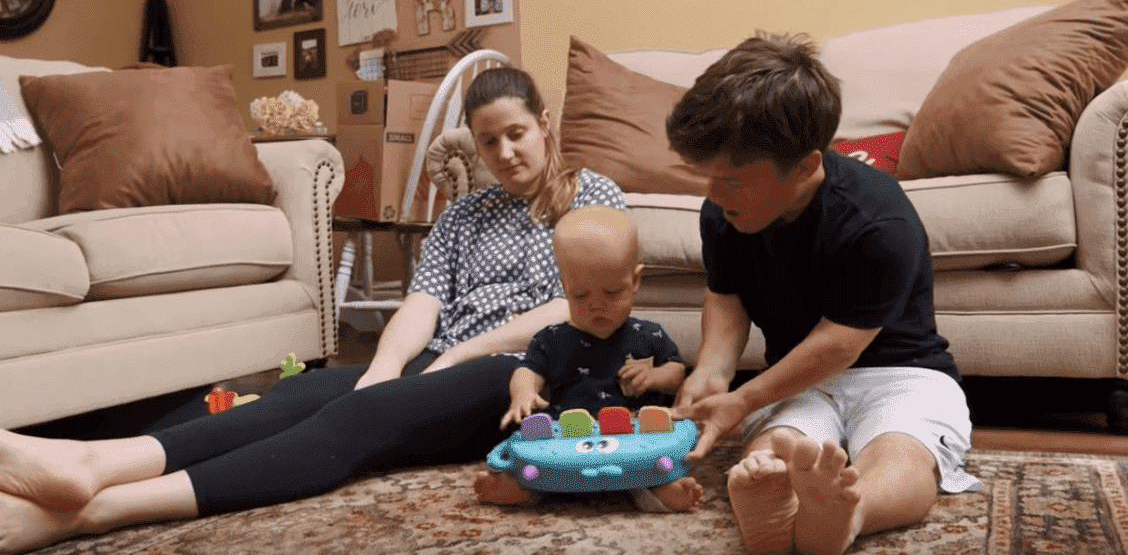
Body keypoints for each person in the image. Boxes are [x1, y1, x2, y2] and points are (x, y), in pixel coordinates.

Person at [0, 66, 626, 554]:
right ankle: (95, 463)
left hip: (528, 375)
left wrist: (453, 356)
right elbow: (423, 301)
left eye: (516, 134)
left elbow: (563, 310)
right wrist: (384, 363)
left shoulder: (594, 195)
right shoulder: (464, 214)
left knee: (359, 418)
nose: (505, 152)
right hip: (439, 359)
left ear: (545, 123)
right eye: (489, 142)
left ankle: (87, 512)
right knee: (302, 393)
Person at [666, 32, 980, 555]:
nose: (715, 197)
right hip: (795, 380)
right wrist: (712, 372)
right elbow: (727, 296)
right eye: (709, 179)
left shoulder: (878, 219)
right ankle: (776, 506)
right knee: (778, 448)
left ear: (807, 166)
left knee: (901, 450)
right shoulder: (722, 210)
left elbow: (840, 344)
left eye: (736, 182)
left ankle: (852, 512)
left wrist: (742, 400)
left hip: (900, 373)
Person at [473, 205, 703, 512]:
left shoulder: (649, 334)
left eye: (612, 292)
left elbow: (676, 372)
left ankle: (664, 490)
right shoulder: (551, 339)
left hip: (634, 433)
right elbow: (526, 370)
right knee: (537, 470)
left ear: (635, 280)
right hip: (568, 434)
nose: (597, 305)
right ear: (565, 286)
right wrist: (524, 393)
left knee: (653, 467)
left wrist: (655, 377)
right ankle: (519, 490)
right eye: (581, 295)